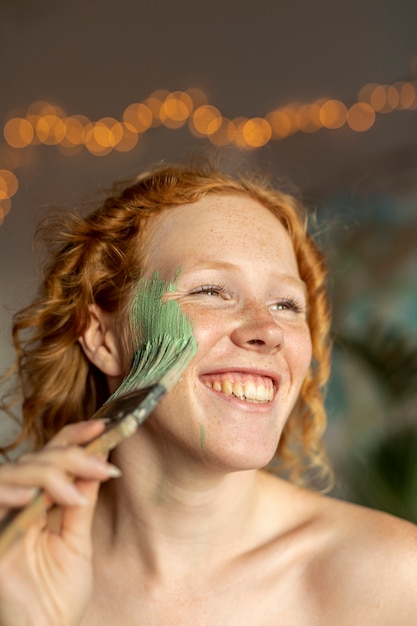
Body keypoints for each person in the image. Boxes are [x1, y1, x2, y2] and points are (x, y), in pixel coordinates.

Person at [0, 161, 416, 625]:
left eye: (285, 304)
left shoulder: (395, 579)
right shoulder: (15, 568)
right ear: (102, 338)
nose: (268, 330)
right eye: (212, 290)